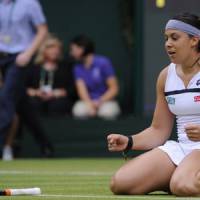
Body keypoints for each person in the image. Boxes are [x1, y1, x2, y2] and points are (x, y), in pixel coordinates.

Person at [107, 13, 200, 196]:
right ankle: (180, 176)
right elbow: (158, 130)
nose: (168, 44)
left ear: (194, 40)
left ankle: (182, 179)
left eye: (175, 37)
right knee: (121, 183)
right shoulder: (165, 76)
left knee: (184, 186)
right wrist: (130, 141)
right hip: (182, 149)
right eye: (166, 38)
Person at [0, 0, 48, 150]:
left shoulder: (30, 3)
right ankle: (46, 146)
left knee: (5, 98)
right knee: (22, 104)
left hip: (20, 57)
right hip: (2, 55)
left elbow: (42, 30)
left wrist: (28, 53)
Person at [70, 35, 121, 120]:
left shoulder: (103, 63)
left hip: (106, 101)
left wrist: (99, 101)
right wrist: (90, 105)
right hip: (88, 101)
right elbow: (81, 90)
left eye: (73, 49)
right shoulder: (77, 68)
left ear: (81, 49)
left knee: (106, 113)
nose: (71, 53)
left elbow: (114, 89)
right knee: (78, 111)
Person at [26, 34, 74, 116]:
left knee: (58, 106)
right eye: (51, 48)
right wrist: (36, 92)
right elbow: (24, 87)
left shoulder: (66, 66)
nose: (55, 51)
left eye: (57, 48)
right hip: (36, 98)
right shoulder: (33, 67)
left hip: (58, 100)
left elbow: (72, 89)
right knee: (32, 104)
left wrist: (57, 93)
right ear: (43, 50)